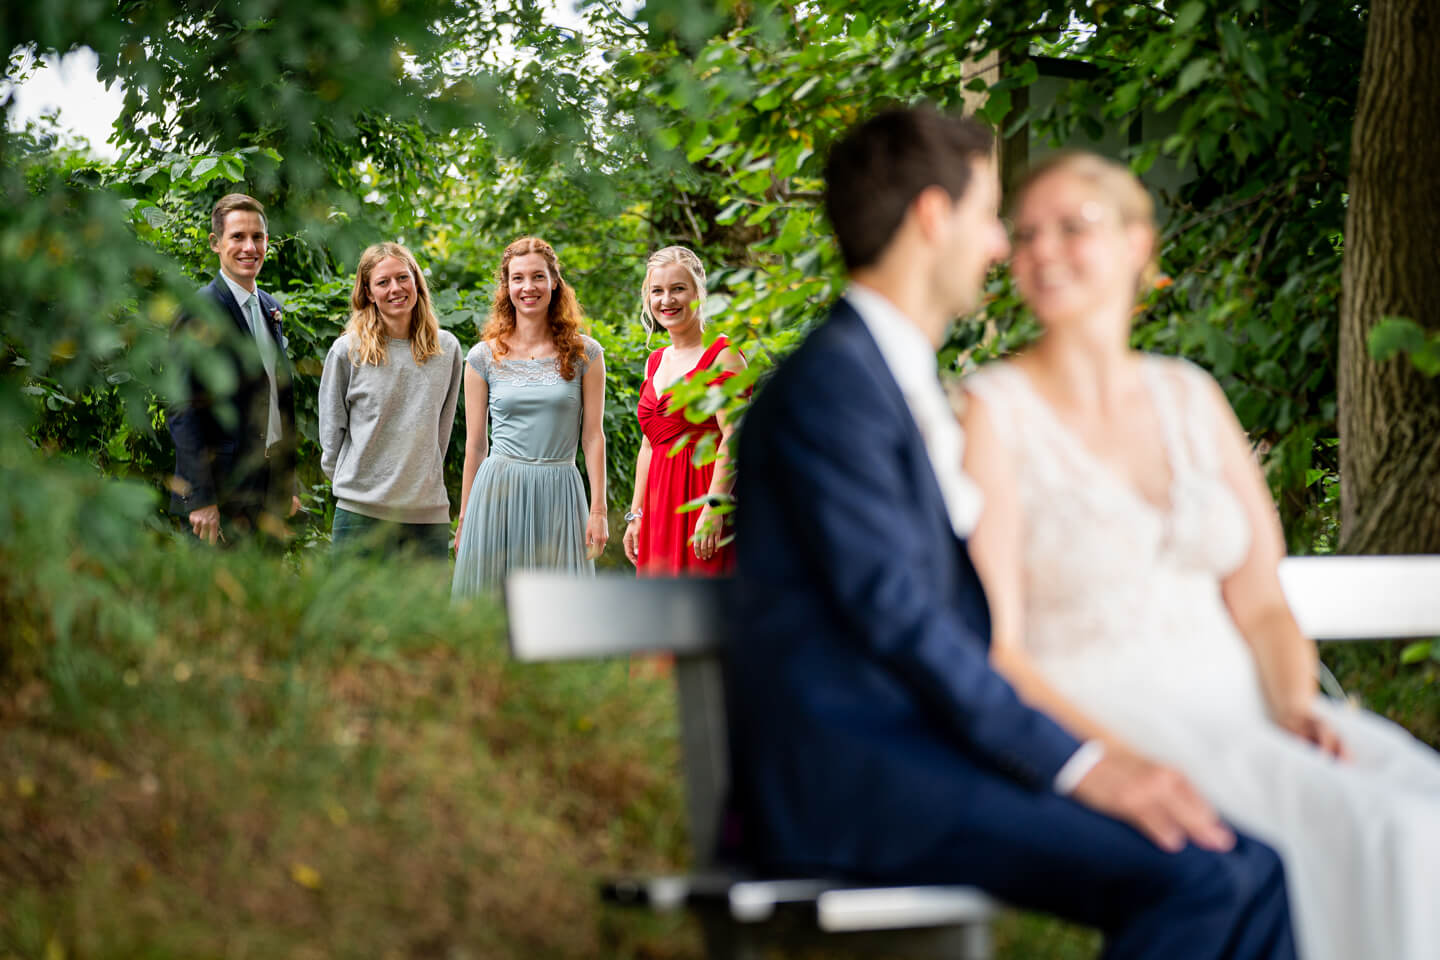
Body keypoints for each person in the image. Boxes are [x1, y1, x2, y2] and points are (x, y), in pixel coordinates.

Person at [726, 107, 1297, 960]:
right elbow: (903, 620)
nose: (1000, 246)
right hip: (861, 782)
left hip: (930, 756)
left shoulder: (893, 376)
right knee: (1209, 872)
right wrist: (1081, 763)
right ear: (933, 217)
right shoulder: (831, 391)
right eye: (990, 216)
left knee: (1254, 867)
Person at [958, 150, 1440, 960]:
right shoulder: (993, 412)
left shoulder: (1191, 395)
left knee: (1423, 811)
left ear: (1138, 243)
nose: (1043, 251)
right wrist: (1104, 760)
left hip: (1252, 702)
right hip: (1111, 710)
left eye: (1074, 227)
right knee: (1383, 832)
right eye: (1027, 233)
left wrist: (1294, 705)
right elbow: (996, 643)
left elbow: (1262, 602)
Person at [452, 237, 607, 596]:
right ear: (506, 287)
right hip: (497, 494)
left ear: (555, 282)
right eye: (517, 278)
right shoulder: (481, 358)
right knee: (491, 612)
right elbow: (475, 445)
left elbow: (593, 437)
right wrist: (465, 519)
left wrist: (598, 510)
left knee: (560, 610)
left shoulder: (587, 354)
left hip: (560, 491)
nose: (528, 287)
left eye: (538, 277)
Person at [168, 193, 300, 544]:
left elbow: (278, 401)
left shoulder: (270, 308)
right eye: (238, 237)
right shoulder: (199, 310)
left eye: (257, 237)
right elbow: (182, 408)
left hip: (267, 489)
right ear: (216, 243)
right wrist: (201, 498)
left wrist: (287, 483)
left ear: (267, 242)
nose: (249, 247)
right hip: (220, 491)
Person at [318, 242, 463, 559]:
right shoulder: (347, 352)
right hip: (360, 515)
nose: (395, 288)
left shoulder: (447, 349)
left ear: (416, 281)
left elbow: (441, 431)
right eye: (383, 282)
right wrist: (358, 487)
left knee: (424, 611)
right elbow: (331, 433)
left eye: (402, 277)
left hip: (426, 517)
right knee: (350, 610)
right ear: (368, 293)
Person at [622, 246, 745, 575]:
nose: (667, 300)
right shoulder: (655, 362)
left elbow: (735, 435)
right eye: (657, 291)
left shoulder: (722, 355)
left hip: (703, 503)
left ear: (699, 292)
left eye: (678, 289)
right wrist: (636, 515)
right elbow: (649, 445)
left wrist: (715, 505)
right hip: (659, 511)